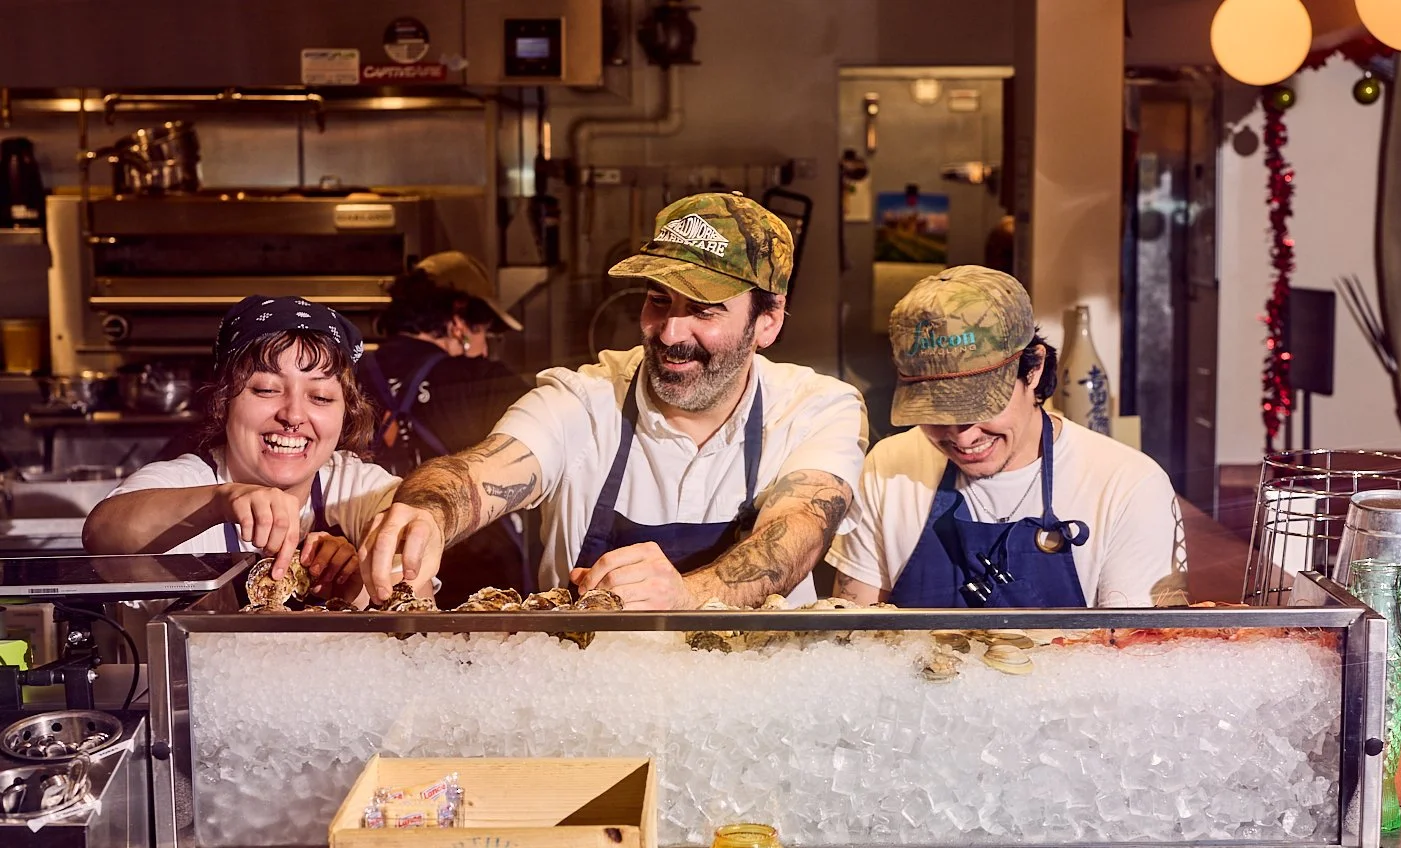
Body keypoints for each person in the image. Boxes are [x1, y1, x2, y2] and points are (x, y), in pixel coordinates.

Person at [358, 192, 868, 610]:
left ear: (768, 322)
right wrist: (428, 512)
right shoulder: (584, 400)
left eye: (704, 311)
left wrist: (687, 595)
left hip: (753, 709)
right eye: (658, 300)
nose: (670, 333)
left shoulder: (816, 408)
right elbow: (476, 472)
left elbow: (798, 529)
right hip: (588, 702)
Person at [827, 265, 1186, 608]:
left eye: (979, 406)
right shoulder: (888, 468)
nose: (962, 436)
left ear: (1033, 369)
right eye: (933, 412)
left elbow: (1137, 654)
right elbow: (854, 638)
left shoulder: (1127, 486)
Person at [85, 296, 399, 604]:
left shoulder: (356, 487)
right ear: (224, 401)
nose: (293, 415)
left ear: (347, 413)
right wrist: (221, 501)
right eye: (266, 390)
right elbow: (102, 535)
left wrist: (358, 592)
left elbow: (416, 624)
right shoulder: (187, 480)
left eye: (320, 397)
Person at [363, 252, 535, 601]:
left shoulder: (344, 377)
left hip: (374, 570)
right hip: (476, 580)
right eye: (485, 331)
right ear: (460, 319)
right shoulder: (483, 380)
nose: (485, 347)